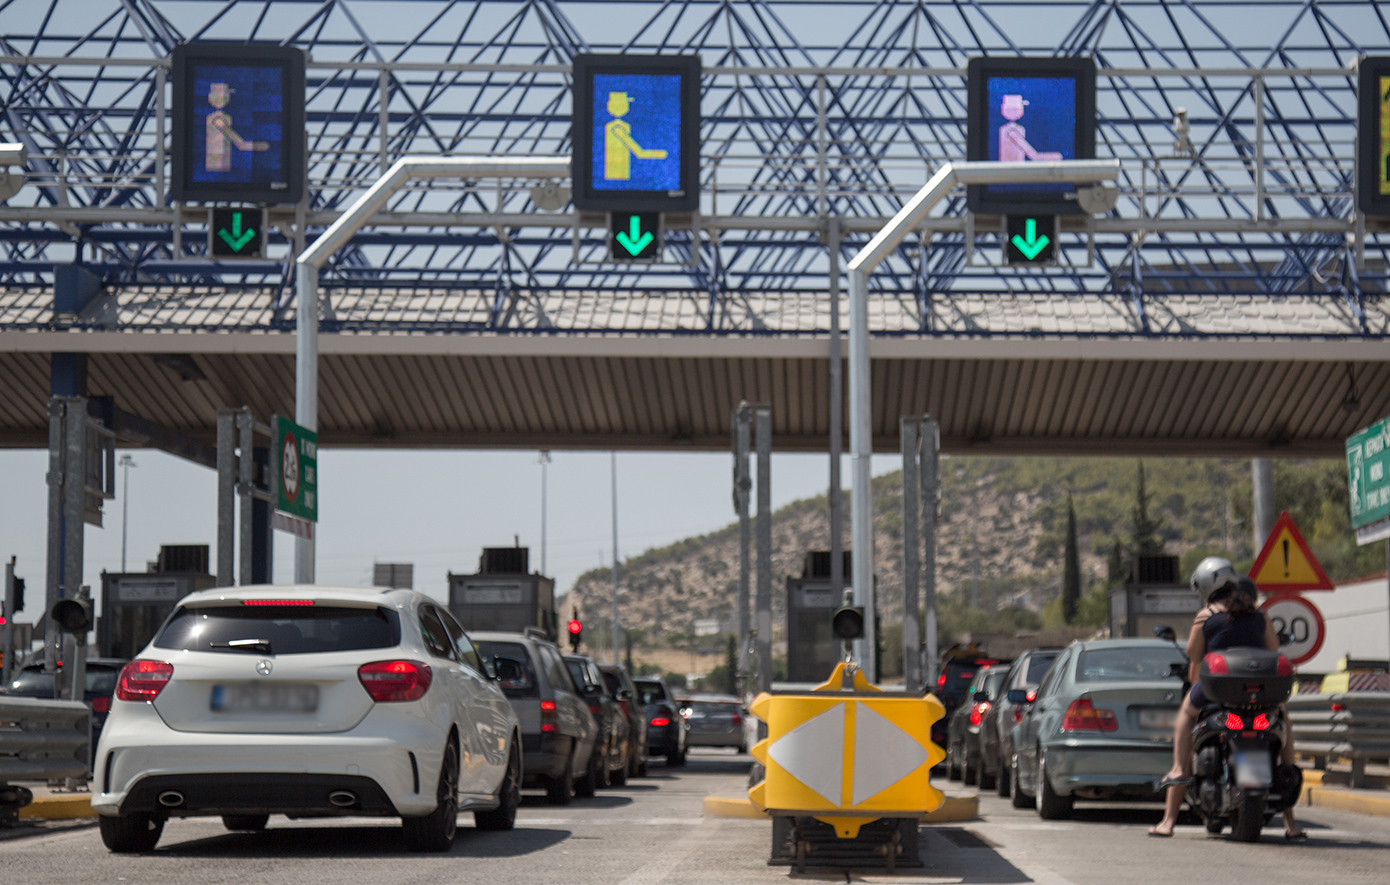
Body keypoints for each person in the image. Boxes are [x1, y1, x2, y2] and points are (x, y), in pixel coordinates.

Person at [1148, 558, 1304, 838]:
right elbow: (1273, 648)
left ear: (1207, 585)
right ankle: (1291, 822)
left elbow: (1194, 656)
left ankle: (1173, 797)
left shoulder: (1206, 615)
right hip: (1260, 692)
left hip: (1220, 691)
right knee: (1283, 718)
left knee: (1185, 714)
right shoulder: (1258, 612)